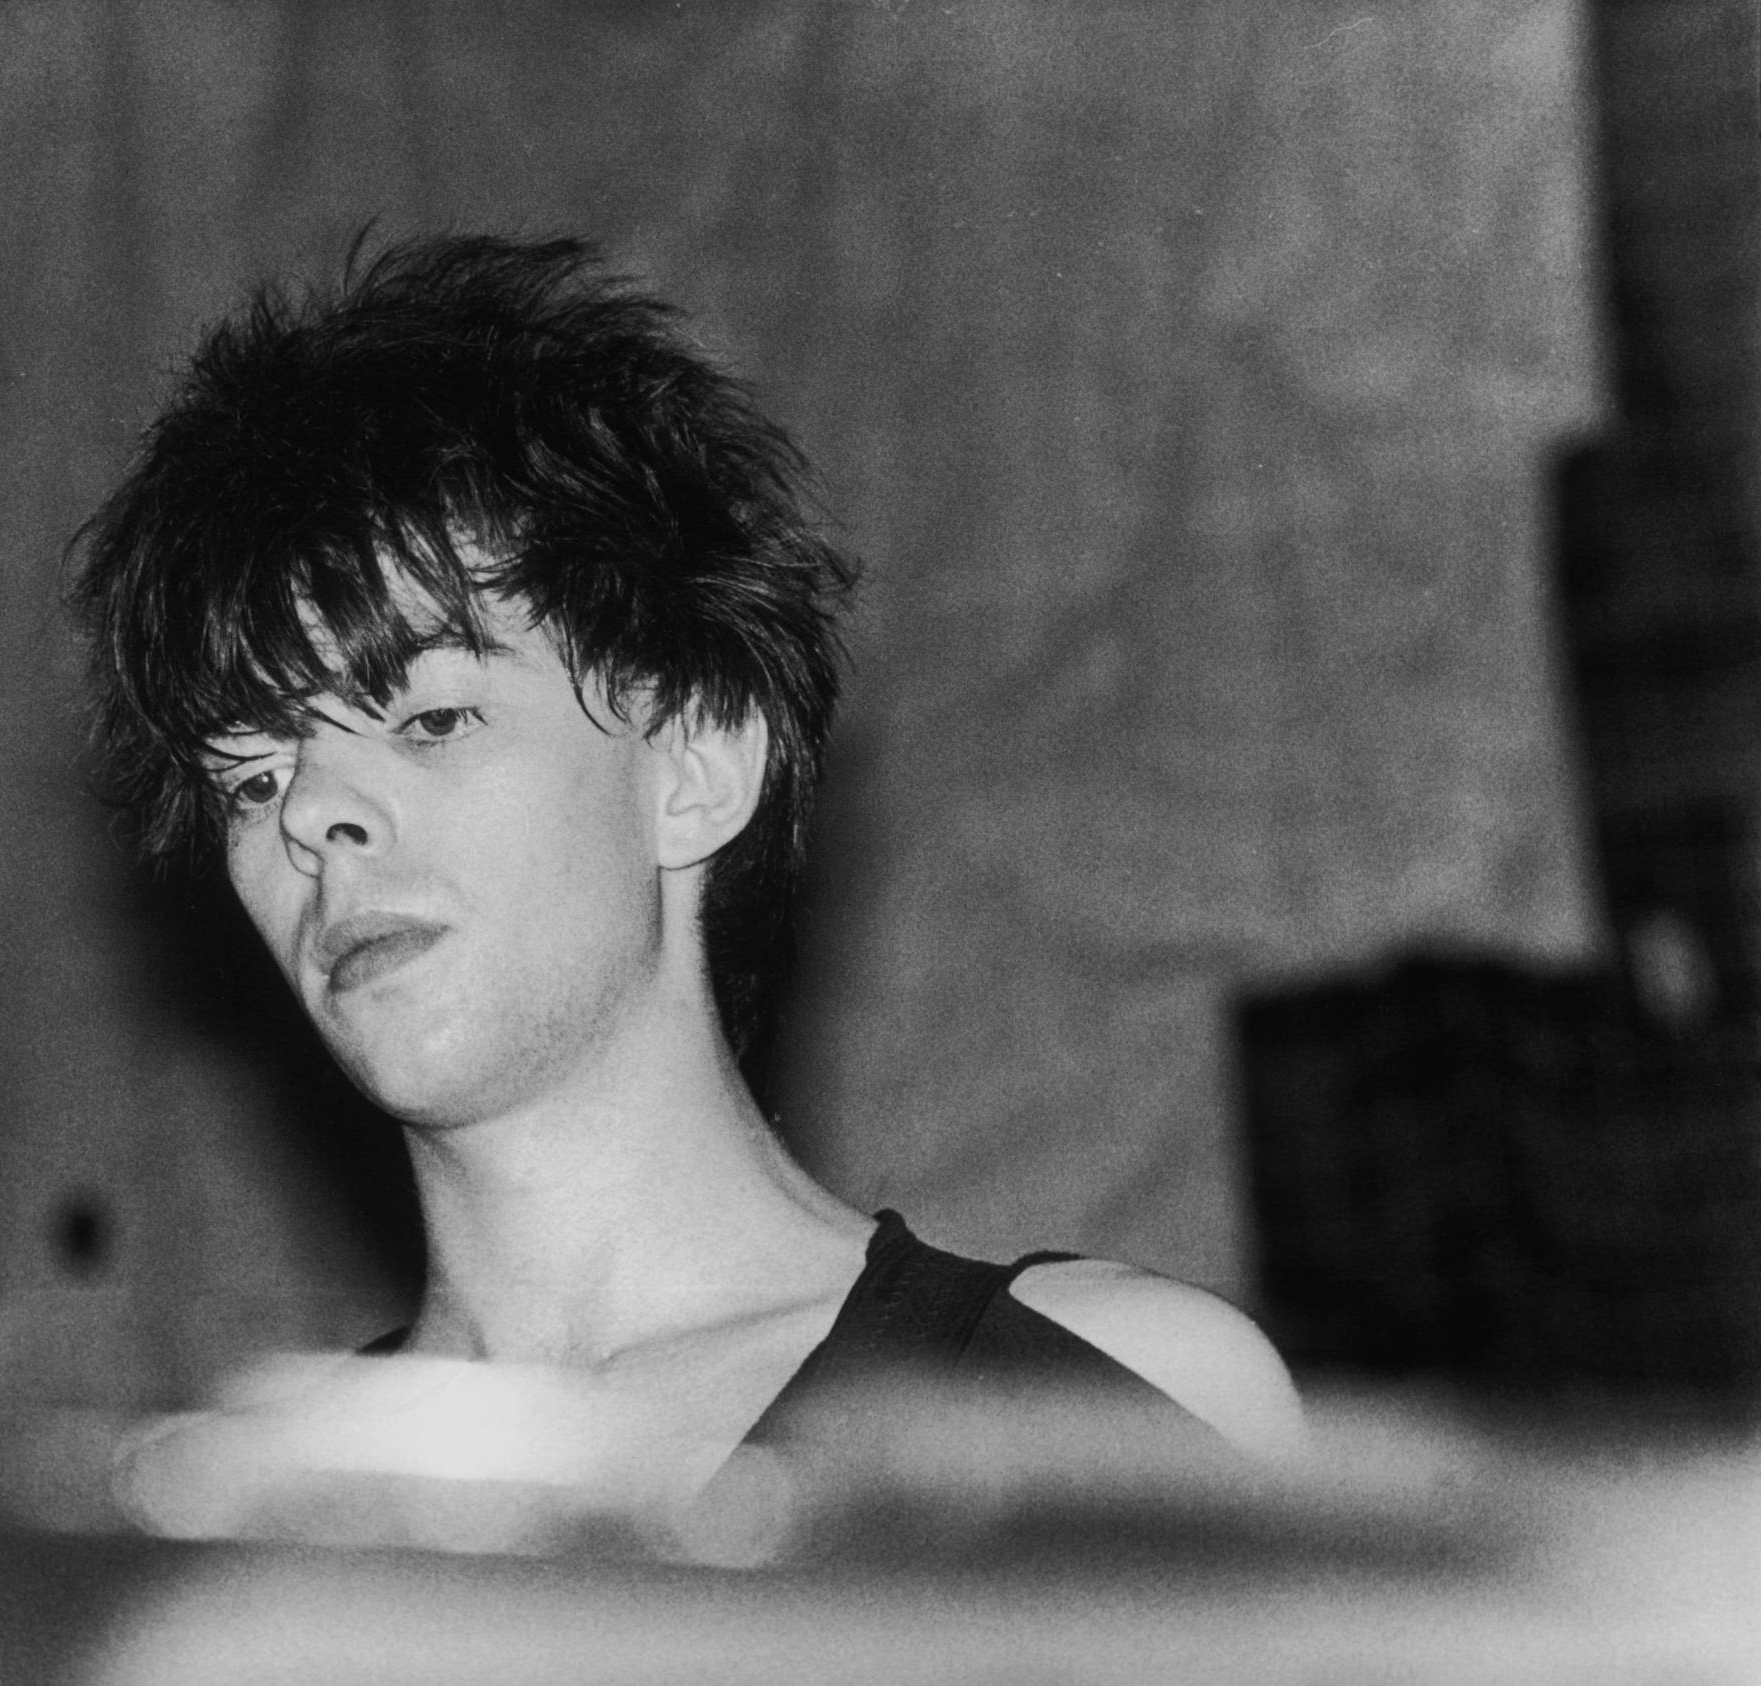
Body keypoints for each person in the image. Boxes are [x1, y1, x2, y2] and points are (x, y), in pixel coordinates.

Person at [68, 233, 1303, 1482]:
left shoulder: (1105, 1412)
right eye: (255, 777)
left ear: (696, 761)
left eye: (428, 719)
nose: (310, 815)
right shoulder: (205, 1513)